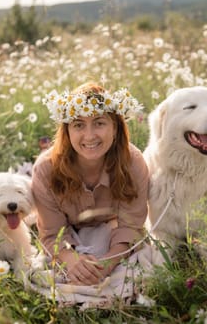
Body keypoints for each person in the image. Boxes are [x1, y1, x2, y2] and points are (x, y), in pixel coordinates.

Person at [31, 82, 148, 286]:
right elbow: (51, 233)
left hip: (110, 227)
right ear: (67, 131)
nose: (89, 135)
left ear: (115, 128)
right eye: (78, 125)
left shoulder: (133, 162)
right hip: (68, 230)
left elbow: (131, 226)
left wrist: (106, 264)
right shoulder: (46, 169)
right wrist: (71, 260)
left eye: (99, 123)